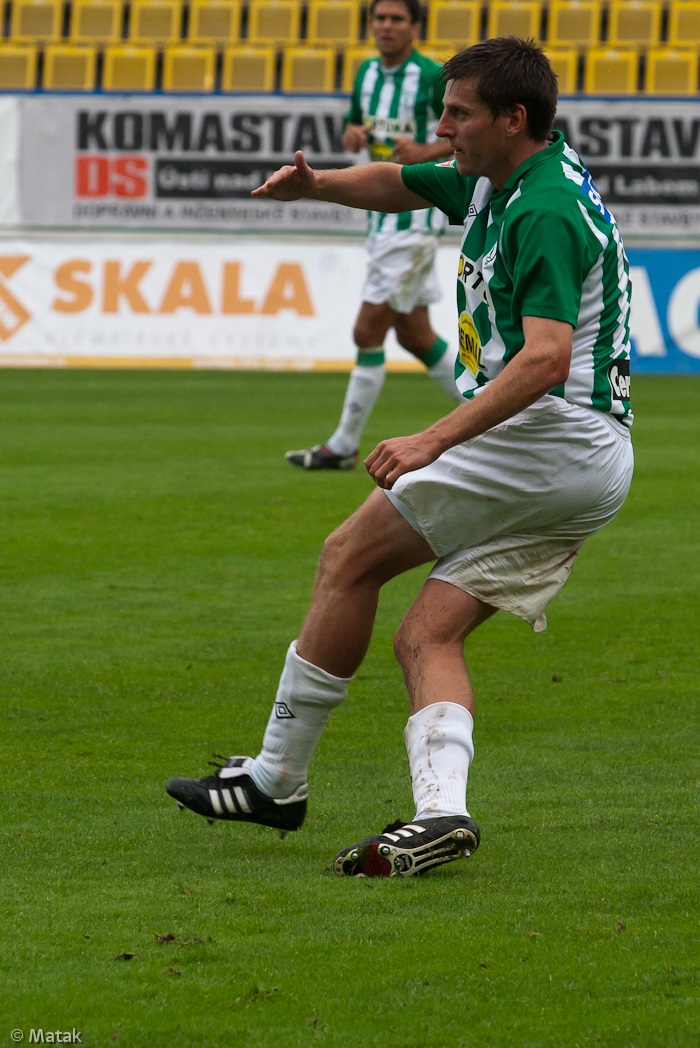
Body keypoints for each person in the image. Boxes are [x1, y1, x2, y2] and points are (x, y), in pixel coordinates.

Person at [167, 37, 634, 879]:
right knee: (427, 634)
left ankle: (275, 780)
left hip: (550, 439)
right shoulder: (508, 177)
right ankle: (441, 814)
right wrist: (317, 185)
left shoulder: (543, 208)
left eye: (458, 113)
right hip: (586, 460)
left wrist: (432, 438)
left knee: (348, 556)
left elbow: (546, 358)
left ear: (513, 118)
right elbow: (401, 180)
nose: (442, 127)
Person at [285, 0, 460, 472]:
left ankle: (342, 445)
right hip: (381, 218)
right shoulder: (365, 73)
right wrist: (352, 136)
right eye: (379, 18)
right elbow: (356, 125)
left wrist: (425, 151)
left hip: (414, 220)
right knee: (416, 335)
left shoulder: (432, 76)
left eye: (397, 19)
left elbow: (466, 133)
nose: (386, 26)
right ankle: (494, 415)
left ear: (415, 27)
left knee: (367, 329)